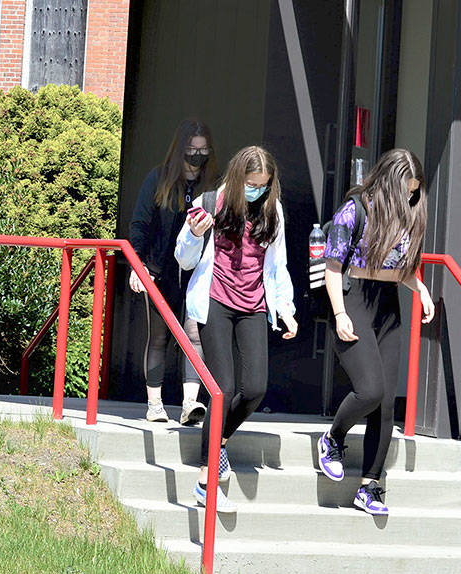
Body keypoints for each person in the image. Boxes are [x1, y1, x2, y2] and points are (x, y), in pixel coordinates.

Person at [176, 145, 298, 515]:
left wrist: (287, 311)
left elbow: (278, 267)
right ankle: (205, 481)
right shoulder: (210, 202)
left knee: (255, 387)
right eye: (251, 184)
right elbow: (182, 258)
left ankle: (220, 440)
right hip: (215, 301)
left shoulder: (271, 211)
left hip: (254, 305)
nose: (257, 191)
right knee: (222, 389)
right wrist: (195, 235)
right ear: (237, 178)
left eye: (263, 185)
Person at [315, 148, 435, 516]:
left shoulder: (408, 216)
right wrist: (339, 313)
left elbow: (401, 268)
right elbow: (333, 267)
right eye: (406, 190)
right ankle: (333, 438)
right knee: (369, 389)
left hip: (387, 306)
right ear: (388, 181)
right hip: (353, 301)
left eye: (415, 192)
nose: (410, 198)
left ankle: (370, 486)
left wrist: (422, 290)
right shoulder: (356, 210)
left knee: (385, 405)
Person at [127, 118, 217, 425]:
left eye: (203, 149)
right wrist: (138, 266)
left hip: (198, 275)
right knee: (160, 337)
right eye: (192, 149)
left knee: (194, 335)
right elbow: (139, 225)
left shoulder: (213, 186)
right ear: (180, 150)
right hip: (159, 270)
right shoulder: (159, 179)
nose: (197, 155)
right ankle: (155, 404)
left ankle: (190, 403)